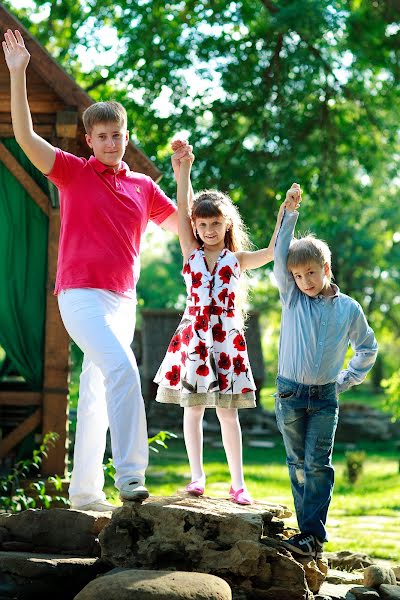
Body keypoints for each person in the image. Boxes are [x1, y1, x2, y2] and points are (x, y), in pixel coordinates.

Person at [2, 29, 192, 512]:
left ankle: (84, 493)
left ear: (126, 137)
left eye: (118, 135)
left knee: (95, 393)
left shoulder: (144, 187)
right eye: (102, 136)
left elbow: (185, 231)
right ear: (90, 140)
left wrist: (183, 177)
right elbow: (24, 137)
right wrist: (19, 72)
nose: (111, 142)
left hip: (123, 299)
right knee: (125, 370)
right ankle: (132, 477)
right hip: (80, 296)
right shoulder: (71, 171)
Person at [154, 144, 298, 505]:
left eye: (215, 223)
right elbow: (184, 207)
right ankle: (197, 477)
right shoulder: (191, 252)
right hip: (196, 340)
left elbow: (272, 250)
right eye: (202, 224)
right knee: (193, 408)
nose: (208, 229)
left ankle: (238, 483)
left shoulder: (238, 259)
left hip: (227, 340)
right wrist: (183, 171)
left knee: (228, 412)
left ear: (227, 223)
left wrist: (287, 212)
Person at [273, 184, 378, 558]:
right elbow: (279, 255)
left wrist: (347, 379)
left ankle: (311, 535)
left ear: (326, 269)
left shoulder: (348, 308)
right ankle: (308, 536)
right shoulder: (292, 299)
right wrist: (289, 212)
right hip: (289, 394)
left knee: (318, 464)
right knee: (297, 464)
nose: (305, 281)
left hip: (324, 399)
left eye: (311, 273)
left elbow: (368, 347)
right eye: (298, 276)